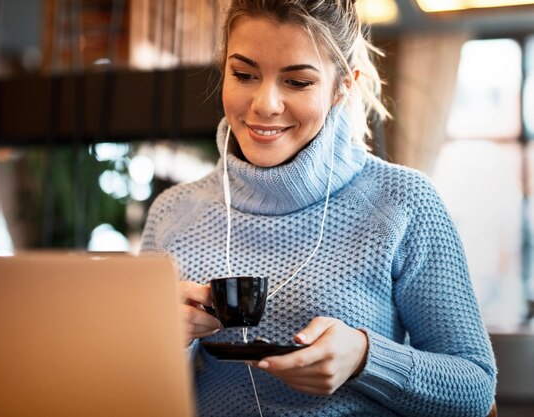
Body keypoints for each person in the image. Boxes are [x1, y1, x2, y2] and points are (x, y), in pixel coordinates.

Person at [141, 0, 497, 415]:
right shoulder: (172, 213)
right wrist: (164, 342)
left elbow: (474, 389)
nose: (265, 104)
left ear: (342, 86)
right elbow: (132, 395)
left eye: (297, 82)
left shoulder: (403, 201)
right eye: (244, 74)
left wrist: (366, 358)